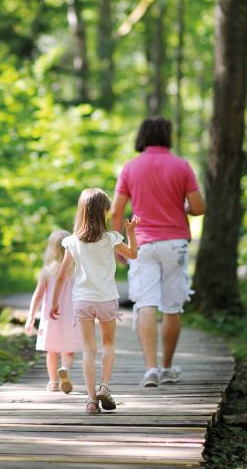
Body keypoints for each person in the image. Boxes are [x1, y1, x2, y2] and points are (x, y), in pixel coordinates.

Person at [111, 116, 205, 388]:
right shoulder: (182, 166)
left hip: (141, 244)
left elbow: (116, 211)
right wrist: (183, 208)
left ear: (141, 136)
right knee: (172, 306)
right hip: (175, 242)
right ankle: (167, 367)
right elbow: (199, 207)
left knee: (145, 303)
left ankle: (150, 368)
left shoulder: (130, 168)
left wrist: (119, 245)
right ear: (167, 135)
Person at [51, 188, 139, 415]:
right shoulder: (111, 238)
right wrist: (131, 232)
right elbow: (132, 255)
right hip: (106, 299)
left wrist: (54, 302)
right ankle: (104, 387)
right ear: (104, 212)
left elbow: (61, 275)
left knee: (88, 350)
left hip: (82, 300)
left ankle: (91, 401)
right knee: (108, 344)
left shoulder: (72, 242)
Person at [24, 230, 82, 393]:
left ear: (51, 249)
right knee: (68, 350)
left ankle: (53, 382)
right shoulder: (77, 271)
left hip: (52, 318)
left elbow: (37, 295)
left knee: (52, 351)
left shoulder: (47, 272)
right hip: (72, 316)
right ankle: (65, 370)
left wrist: (30, 318)